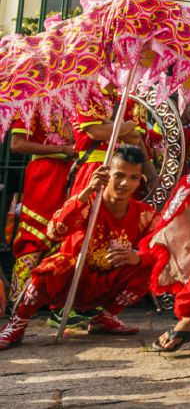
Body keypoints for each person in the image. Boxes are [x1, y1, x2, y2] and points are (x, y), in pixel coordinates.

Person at [0, 146, 154, 350]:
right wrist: (88, 190)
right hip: (74, 281)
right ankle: (17, 324)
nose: (126, 183)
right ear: (106, 175)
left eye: (134, 177)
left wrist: (138, 257)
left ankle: (104, 317)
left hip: (109, 284)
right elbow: (54, 231)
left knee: (152, 265)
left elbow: (162, 246)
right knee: (56, 264)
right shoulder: (87, 204)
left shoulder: (145, 214)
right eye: (119, 175)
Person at [6, 114, 75, 295]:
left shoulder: (76, 101)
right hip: (44, 174)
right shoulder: (32, 104)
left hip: (70, 172)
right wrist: (62, 149)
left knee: (66, 233)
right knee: (35, 234)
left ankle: (49, 297)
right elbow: (17, 144)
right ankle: (19, 298)